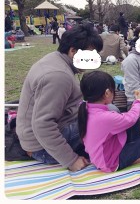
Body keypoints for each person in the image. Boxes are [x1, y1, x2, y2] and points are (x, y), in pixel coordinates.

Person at [16, 24, 103, 171]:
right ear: (73, 51)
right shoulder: (58, 76)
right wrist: (71, 160)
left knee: (103, 112)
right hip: (42, 148)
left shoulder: (56, 59)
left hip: (42, 136)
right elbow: (43, 125)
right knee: (106, 118)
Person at [78, 70, 140, 172]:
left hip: (103, 155)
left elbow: (130, 119)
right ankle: (132, 159)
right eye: (113, 90)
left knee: (134, 122)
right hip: (110, 163)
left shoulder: (85, 108)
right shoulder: (104, 117)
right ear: (107, 93)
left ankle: (133, 149)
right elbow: (130, 118)